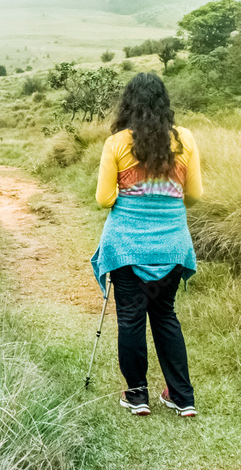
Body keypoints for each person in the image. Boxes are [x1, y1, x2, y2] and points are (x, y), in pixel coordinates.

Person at [91, 72, 201, 418]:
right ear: (164, 103)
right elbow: (194, 195)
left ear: (129, 103)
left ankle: (137, 396)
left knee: (131, 320)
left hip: (126, 248)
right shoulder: (185, 140)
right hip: (172, 247)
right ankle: (182, 397)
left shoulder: (118, 143)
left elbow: (104, 199)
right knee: (165, 315)